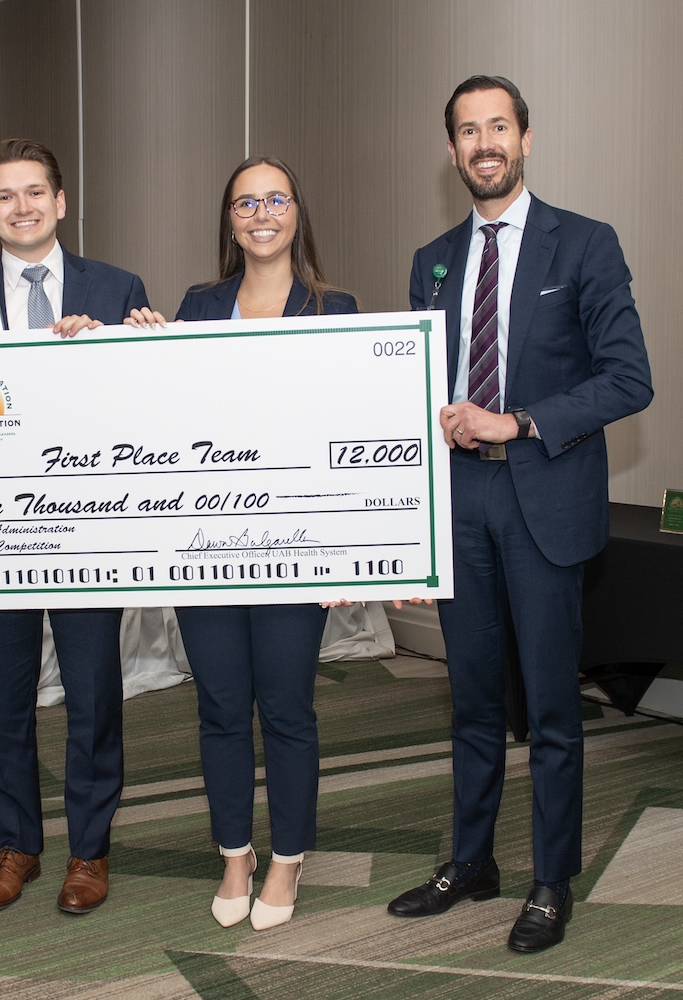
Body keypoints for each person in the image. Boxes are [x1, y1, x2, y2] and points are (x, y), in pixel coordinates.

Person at [386, 76, 652, 953]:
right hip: (462, 503)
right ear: (453, 149)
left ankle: (550, 879)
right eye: (467, 131)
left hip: (544, 495)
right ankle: (471, 862)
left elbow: (627, 376)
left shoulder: (585, 244)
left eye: (498, 126)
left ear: (526, 139)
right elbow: (415, 386)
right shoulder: (431, 258)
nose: (483, 143)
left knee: (549, 711)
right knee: (467, 701)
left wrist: (521, 420)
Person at [130, 156, 357, 931]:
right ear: (229, 220)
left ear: (297, 211)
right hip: (208, 545)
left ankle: (288, 857)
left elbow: (350, 433)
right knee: (222, 708)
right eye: (244, 203)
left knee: (287, 708)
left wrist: (349, 551)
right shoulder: (197, 305)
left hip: (298, 547)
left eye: (275, 199)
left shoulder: (336, 309)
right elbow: (165, 416)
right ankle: (236, 853)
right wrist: (136, 346)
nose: (261, 213)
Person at [0, 138, 150, 916]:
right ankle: (17, 841)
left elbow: (146, 411)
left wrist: (136, 346)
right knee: (4, 698)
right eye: (4, 197)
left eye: (35, 193)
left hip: (90, 534)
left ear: (61, 201)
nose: (22, 207)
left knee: (94, 696)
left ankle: (90, 849)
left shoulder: (118, 287)